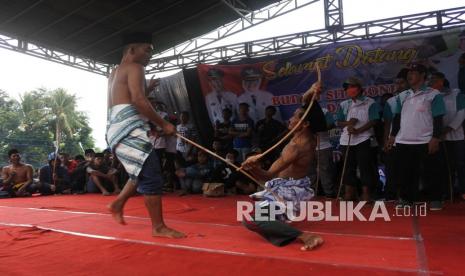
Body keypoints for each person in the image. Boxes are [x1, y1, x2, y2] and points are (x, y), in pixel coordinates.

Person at [106, 32, 185, 238]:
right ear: (132, 50)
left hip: (116, 127)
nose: (151, 54)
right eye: (147, 49)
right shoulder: (136, 67)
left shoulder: (114, 72)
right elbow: (139, 101)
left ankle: (118, 202)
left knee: (140, 169)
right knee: (151, 173)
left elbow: (118, 104)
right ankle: (158, 227)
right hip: (129, 128)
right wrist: (163, 123)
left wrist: (145, 90)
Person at [240, 81, 327, 250]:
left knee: (252, 219)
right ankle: (285, 231)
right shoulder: (305, 138)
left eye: (295, 117)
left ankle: (306, 236)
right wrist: (310, 90)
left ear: (305, 124)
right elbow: (306, 102)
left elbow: (267, 175)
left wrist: (252, 168)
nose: (290, 119)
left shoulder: (295, 147)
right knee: (263, 219)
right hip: (289, 187)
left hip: (288, 191)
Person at [388, 63, 446, 210]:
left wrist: (435, 138)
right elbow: (397, 118)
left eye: (414, 72)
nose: (410, 75)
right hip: (403, 140)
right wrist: (392, 136)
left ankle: (435, 199)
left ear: (422, 75)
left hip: (425, 139)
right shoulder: (402, 96)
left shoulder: (433, 94)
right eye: (409, 73)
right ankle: (406, 199)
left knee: (431, 171)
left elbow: (438, 118)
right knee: (405, 172)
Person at [336, 77, 380, 201]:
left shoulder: (370, 102)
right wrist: (348, 123)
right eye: (347, 88)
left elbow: (374, 120)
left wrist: (358, 130)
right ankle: (349, 193)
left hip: (364, 138)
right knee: (348, 167)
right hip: (347, 140)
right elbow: (338, 122)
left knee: (365, 166)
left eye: (352, 87)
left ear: (360, 88)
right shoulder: (344, 104)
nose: (350, 90)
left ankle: (366, 193)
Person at [429, 72, 465, 201]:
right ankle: (448, 192)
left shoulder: (457, 94)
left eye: (433, 79)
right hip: (439, 139)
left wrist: (445, 130)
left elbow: (461, 114)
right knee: (446, 167)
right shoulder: (430, 97)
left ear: (441, 81)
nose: (430, 82)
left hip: (457, 137)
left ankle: (463, 191)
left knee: (461, 165)